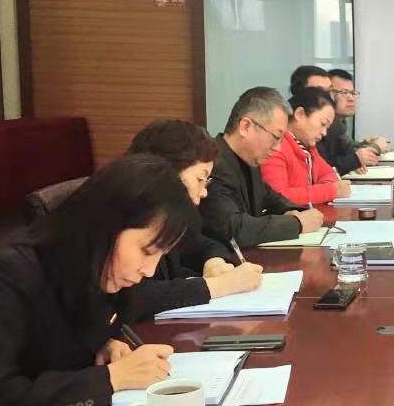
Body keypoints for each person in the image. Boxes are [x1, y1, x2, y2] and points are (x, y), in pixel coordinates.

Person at [0, 155, 194, 406]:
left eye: (160, 256)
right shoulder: (6, 274)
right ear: (105, 225)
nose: (149, 270)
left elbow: (63, 341)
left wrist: (104, 345)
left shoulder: (92, 271)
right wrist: (112, 378)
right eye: (146, 250)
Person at [122, 119, 264, 319]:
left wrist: (213, 261)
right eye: (200, 179)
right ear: (166, 170)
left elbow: (200, 243)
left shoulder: (169, 217)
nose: (204, 192)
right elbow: (129, 297)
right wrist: (219, 285)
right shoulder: (125, 212)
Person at [200, 87, 324, 248]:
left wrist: (295, 211)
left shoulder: (249, 159)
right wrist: (296, 223)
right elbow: (233, 228)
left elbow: (270, 197)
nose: (278, 148)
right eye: (276, 137)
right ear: (245, 127)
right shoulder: (212, 164)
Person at [261, 86, 353, 205]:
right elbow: (278, 197)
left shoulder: (307, 147)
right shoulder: (275, 147)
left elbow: (329, 174)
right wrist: (330, 191)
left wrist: (323, 189)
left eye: (327, 127)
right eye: (322, 123)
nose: (324, 133)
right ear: (300, 114)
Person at [318, 68, 390, 173]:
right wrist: (375, 147)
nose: (351, 98)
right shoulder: (322, 127)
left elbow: (347, 150)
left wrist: (364, 144)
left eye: (352, 93)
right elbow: (322, 168)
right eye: (344, 92)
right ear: (328, 95)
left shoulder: (339, 123)